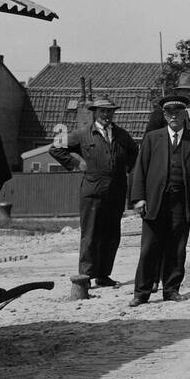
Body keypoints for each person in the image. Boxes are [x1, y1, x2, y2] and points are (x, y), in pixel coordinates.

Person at [49, 96, 138, 288]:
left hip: (116, 192)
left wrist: (128, 170)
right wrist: (76, 163)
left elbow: (135, 155)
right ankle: (85, 277)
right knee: (90, 235)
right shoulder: (82, 134)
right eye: (103, 111)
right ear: (95, 112)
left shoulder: (122, 135)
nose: (107, 115)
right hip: (92, 191)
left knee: (112, 235)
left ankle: (104, 275)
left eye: (110, 111)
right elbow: (55, 148)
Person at [128, 95, 190, 305]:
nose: (174, 117)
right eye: (169, 113)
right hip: (155, 201)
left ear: (184, 115)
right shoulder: (153, 138)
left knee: (177, 248)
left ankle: (171, 289)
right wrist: (138, 199)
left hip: (182, 202)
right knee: (149, 248)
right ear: (164, 116)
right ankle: (141, 293)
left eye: (178, 113)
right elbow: (140, 169)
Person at [146, 71, 190, 146]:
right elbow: (148, 141)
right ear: (178, 92)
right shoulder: (160, 114)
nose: (189, 94)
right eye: (185, 90)